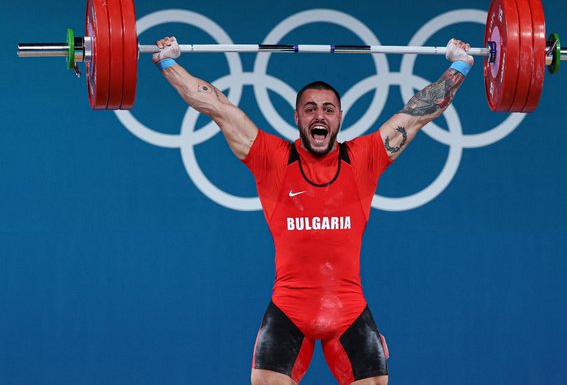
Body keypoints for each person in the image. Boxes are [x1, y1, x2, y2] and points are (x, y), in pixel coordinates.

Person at [152, 36, 473, 385]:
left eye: (328, 109)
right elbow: (217, 107)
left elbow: (415, 116)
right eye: (310, 109)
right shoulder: (270, 157)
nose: (319, 115)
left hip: (349, 312)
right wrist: (169, 62)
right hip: (289, 311)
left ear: (339, 118)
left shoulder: (364, 157)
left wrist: (460, 65)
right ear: (297, 117)